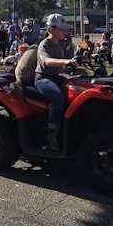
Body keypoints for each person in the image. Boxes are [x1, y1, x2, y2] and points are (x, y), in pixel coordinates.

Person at [35, 14, 78, 150]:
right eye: (62, 29)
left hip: (56, 76)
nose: (65, 32)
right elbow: (47, 61)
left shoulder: (61, 43)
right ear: (52, 29)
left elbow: (71, 57)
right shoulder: (45, 44)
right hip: (43, 78)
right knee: (57, 97)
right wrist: (65, 61)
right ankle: (51, 135)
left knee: (77, 89)